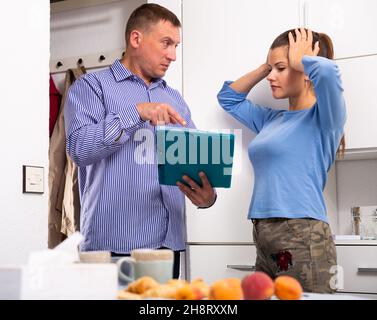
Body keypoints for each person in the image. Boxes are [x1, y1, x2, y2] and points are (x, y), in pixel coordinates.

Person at [64, 3, 216, 278]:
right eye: (166, 43)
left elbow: (195, 160)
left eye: (176, 46)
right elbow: (79, 149)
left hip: (168, 247)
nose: (172, 55)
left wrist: (206, 197)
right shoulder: (91, 87)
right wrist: (135, 113)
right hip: (113, 249)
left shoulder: (175, 100)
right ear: (136, 39)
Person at [217, 28, 346, 293]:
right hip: (263, 234)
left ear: (305, 68)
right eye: (270, 70)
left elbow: (330, 75)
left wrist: (302, 61)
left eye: (281, 68)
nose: (271, 77)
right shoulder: (271, 119)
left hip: (302, 233)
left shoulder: (324, 118)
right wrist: (267, 66)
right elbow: (228, 98)